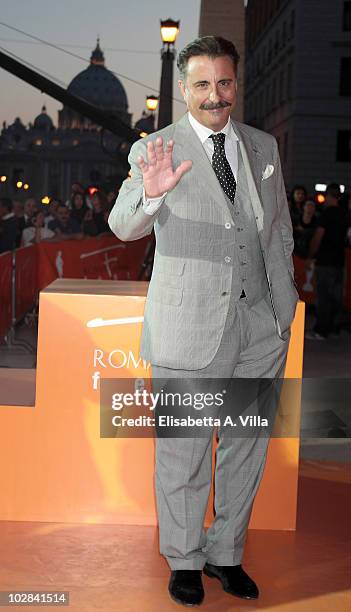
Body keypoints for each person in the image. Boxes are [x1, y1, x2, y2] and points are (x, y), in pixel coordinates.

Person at [108, 36, 298, 607]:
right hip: (190, 329)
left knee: (245, 446)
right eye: (202, 84)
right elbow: (122, 226)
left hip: (260, 329)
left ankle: (225, 554)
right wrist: (150, 193)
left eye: (224, 82)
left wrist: (281, 303)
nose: (215, 95)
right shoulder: (157, 148)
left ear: (235, 85)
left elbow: (279, 227)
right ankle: (185, 559)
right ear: (184, 88)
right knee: (185, 450)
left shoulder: (263, 146)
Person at [305, 183, 348, 339]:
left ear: (329, 195)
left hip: (325, 261)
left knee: (323, 296)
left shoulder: (326, 214)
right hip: (339, 261)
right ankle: (332, 327)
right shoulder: (345, 214)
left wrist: (310, 256)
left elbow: (318, 236)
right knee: (335, 297)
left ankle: (320, 330)